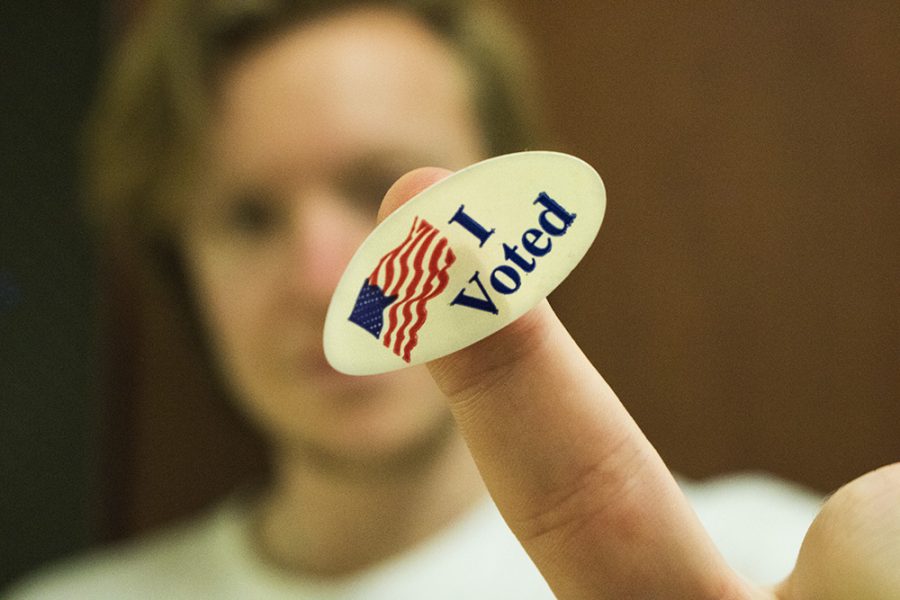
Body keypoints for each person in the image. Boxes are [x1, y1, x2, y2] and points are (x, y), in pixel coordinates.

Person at [6, 0, 898, 598]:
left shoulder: (775, 563)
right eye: (246, 217)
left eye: (387, 188)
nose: (324, 275)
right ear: (180, 266)